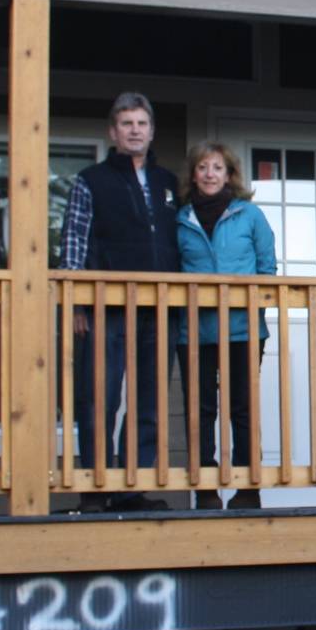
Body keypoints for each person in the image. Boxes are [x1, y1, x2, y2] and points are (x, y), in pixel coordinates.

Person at [61, 92, 182, 512]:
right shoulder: (90, 180)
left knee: (149, 401)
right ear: (113, 132)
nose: (135, 131)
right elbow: (75, 240)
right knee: (99, 398)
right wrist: (75, 302)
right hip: (103, 307)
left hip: (159, 308)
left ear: (151, 131)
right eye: (127, 124)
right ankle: (96, 489)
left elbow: (179, 241)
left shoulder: (168, 183)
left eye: (142, 124)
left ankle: (132, 487)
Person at [175, 141, 276, 509]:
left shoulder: (249, 215)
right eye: (203, 168)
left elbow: (266, 269)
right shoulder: (181, 217)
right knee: (200, 411)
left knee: (242, 408)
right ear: (194, 175)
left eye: (217, 168)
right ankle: (205, 491)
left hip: (242, 330)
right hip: (194, 332)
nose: (209, 174)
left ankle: (248, 490)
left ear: (229, 174)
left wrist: (254, 311)